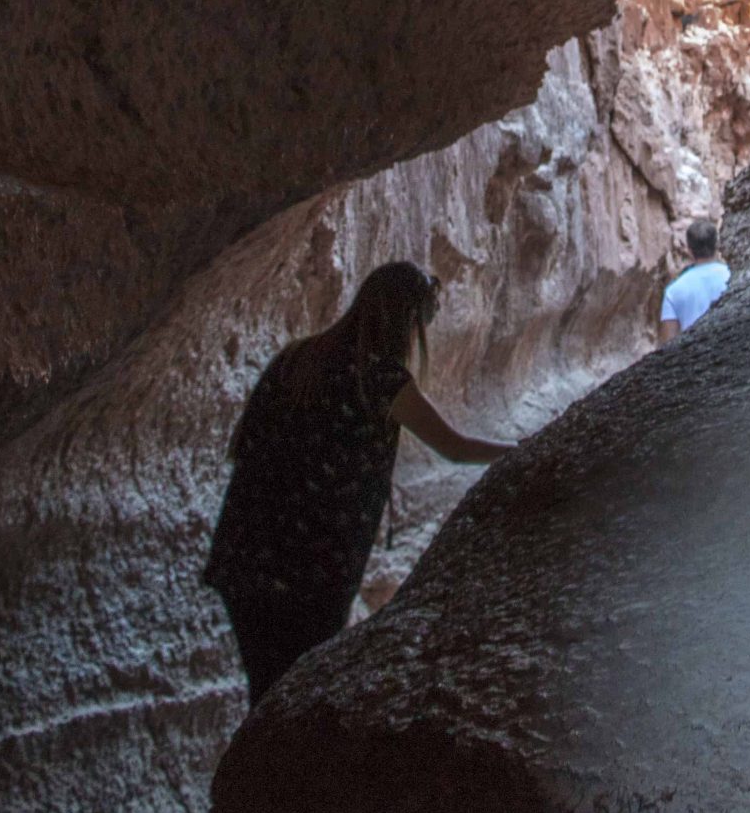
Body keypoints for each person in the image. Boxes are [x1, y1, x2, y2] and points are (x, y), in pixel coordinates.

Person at [201, 262, 515, 703]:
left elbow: (246, 443)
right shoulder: (381, 378)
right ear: (409, 320)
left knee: (268, 692)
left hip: (246, 555)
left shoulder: (297, 358)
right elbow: (454, 447)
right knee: (296, 697)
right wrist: (525, 449)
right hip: (312, 571)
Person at [656, 219, 730, 346]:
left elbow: (667, 345)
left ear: (689, 250)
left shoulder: (673, 291)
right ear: (717, 245)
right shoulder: (734, 276)